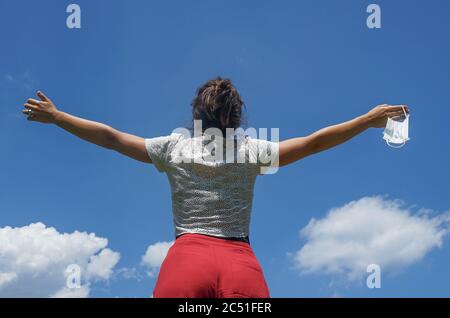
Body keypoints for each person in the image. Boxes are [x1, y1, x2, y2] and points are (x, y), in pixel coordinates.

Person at [22, 77, 409, 298]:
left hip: (188, 258)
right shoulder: (253, 150)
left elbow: (110, 137)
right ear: (237, 118)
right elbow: (314, 142)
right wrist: (365, 120)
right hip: (241, 262)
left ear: (196, 115)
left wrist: (57, 117)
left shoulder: (174, 147)